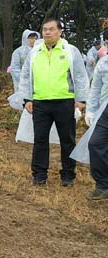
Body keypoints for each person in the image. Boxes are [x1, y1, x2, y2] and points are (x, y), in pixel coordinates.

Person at [17, 18, 89, 186]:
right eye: (45, 29)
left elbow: (80, 75)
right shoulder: (35, 52)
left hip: (64, 101)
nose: (47, 32)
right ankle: (39, 174)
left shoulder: (70, 51)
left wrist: (81, 99)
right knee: (40, 139)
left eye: (51, 29)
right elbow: (26, 75)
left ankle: (68, 174)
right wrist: (27, 98)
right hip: (40, 102)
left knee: (67, 140)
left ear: (60, 31)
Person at [71, 54, 108, 200]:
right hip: (105, 112)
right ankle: (103, 185)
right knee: (95, 143)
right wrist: (91, 110)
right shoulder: (104, 62)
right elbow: (96, 88)